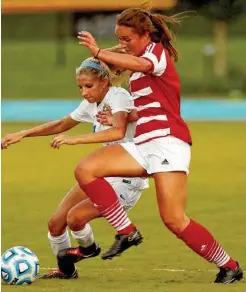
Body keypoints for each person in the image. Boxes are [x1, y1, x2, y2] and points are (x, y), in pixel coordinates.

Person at [56, 7, 243, 284]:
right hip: (143, 144)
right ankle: (126, 231)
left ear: (145, 35)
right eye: (120, 39)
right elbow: (145, 104)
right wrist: (124, 114)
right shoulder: (138, 69)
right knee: (86, 169)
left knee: (174, 219)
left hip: (168, 143)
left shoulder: (155, 54)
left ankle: (229, 266)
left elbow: (143, 65)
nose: (123, 45)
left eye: (127, 39)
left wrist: (99, 52)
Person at [1, 54, 149, 279]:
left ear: (104, 82)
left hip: (126, 176)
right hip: (102, 173)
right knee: (56, 223)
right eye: (80, 87)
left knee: (75, 218)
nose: (84, 92)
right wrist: (23, 133)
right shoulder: (90, 103)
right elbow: (62, 123)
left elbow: (118, 130)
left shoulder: (118, 96)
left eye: (88, 86)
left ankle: (88, 249)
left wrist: (74, 139)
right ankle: (66, 271)